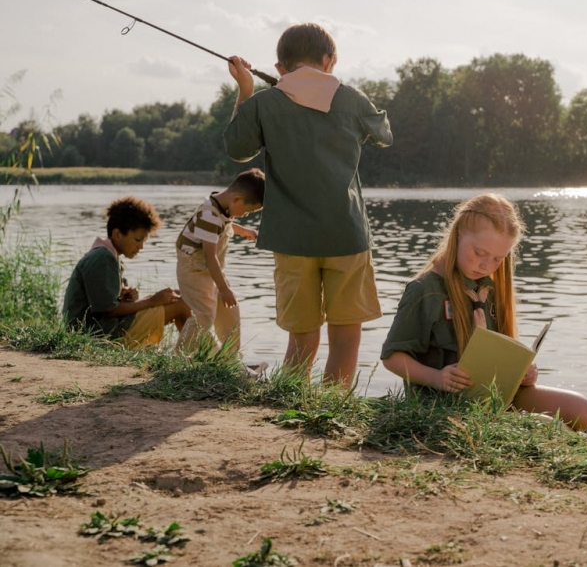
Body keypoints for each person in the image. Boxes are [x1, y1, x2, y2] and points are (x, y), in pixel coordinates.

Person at [224, 22, 393, 386]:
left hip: (291, 239)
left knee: (301, 334)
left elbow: (238, 149)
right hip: (345, 236)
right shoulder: (352, 98)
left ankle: (292, 398)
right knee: (346, 333)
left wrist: (247, 90)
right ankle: (332, 406)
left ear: (280, 67)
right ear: (329, 60)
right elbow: (383, 135)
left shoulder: (264, 104)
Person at [380, 194, 587, 432]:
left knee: (582, 411)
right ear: (458, 234)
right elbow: (392, 358)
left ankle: (512, 420)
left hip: (493, 396)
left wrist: (521, 371)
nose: (486, 265)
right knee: (545, 427)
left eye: (497, 258)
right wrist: (436, 377)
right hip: (443, 403)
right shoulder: (424, 291)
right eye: (479, 253)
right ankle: (513, 425)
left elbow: (498, 350)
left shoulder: (488, 288)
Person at [63, 196, 193, 350]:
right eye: (137, 240)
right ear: (117, 234)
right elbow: (108, 310)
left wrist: (125, 294)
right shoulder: (102, 258)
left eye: (144, 241)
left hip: (105, 329)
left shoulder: (108, 255)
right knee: (182, 302)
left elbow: (104, 300)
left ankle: (193, 354)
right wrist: (151, 301)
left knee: (176, 295)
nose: (141, 247)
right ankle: (196, 358)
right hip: (98, 337)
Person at [175, 168, 265, 354]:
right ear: (237, 199)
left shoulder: (222, 208)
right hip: (194, 270)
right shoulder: (209, 215)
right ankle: (178, 357)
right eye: (248, 211)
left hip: (211, 270)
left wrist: (244, 231)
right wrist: (223, 288)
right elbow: (210, 256)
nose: (246, 214)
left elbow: (226, 224)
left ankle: (231, 362)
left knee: (230, 315)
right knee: (204, 315)